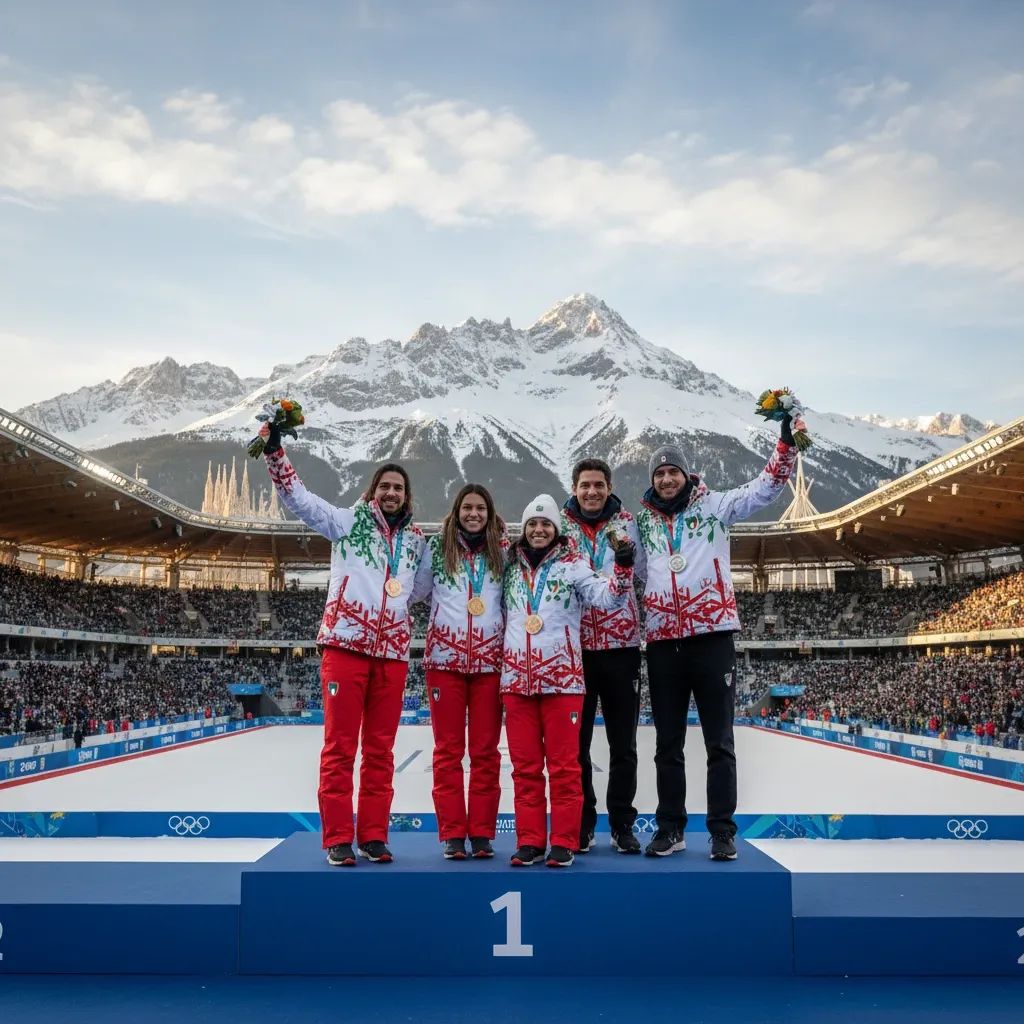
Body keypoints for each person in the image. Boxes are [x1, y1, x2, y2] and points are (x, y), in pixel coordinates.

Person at [260, 421, 425, 867]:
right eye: (385, 486)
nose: (391, 493)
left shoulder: (416, 542)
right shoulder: (347, 522)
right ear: (374, 491)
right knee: (339, 748)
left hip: (392, 656)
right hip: (346, 648)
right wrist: (275, 454)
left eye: (398, 488)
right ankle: (337, 838)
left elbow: (422, 588)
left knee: (380, 752)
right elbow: (299, 499)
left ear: (407, 496)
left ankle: (373, 836)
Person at [638, 414, 798, 861]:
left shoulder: (716, 506)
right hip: (663, 643)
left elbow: (765, 488)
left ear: (686, 474)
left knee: (719, 742)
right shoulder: (643, 523)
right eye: (659, 473)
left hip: (712, 638)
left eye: (673, 471)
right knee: (667, 743)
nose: (666, 479)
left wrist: (785, 445)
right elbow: (632, 570)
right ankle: (670, 828)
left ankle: (722, 831)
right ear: (652, 479)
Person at [502, 494, 636, 868]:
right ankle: (530, 841)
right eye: (532, 524)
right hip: (517, 683)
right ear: (524, 530)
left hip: (562, 682)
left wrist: (623, 567)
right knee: (525, 769)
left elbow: (609, 598)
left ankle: (563, 840)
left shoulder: (573, 565)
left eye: (546, 524)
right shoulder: (509, 569)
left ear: (557, 530)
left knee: (564, 767)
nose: (539, 530)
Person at [413, 484, 508, 860]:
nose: (473, 513)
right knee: (448, 752)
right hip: (444, 664)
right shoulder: (437, 547)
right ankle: (453, 833)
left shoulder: (502, 551)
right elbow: (418, 591)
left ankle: (482, 833)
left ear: (489, 513)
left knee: (486, 752)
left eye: (480, 508)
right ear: (456, 511)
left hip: (490, 665)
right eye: (467, 507)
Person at [561, 457, 646, 855]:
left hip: (621, 647)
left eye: (598, 485)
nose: (592, 491)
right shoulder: (560, 528)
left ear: (609, 487)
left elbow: (645, 570)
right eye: (585, 485)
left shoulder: (629, 524)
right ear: (574, 488)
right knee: (575, 747)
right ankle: (583, 823)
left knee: (623, 745)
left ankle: (622, 823)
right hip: (574, 651)